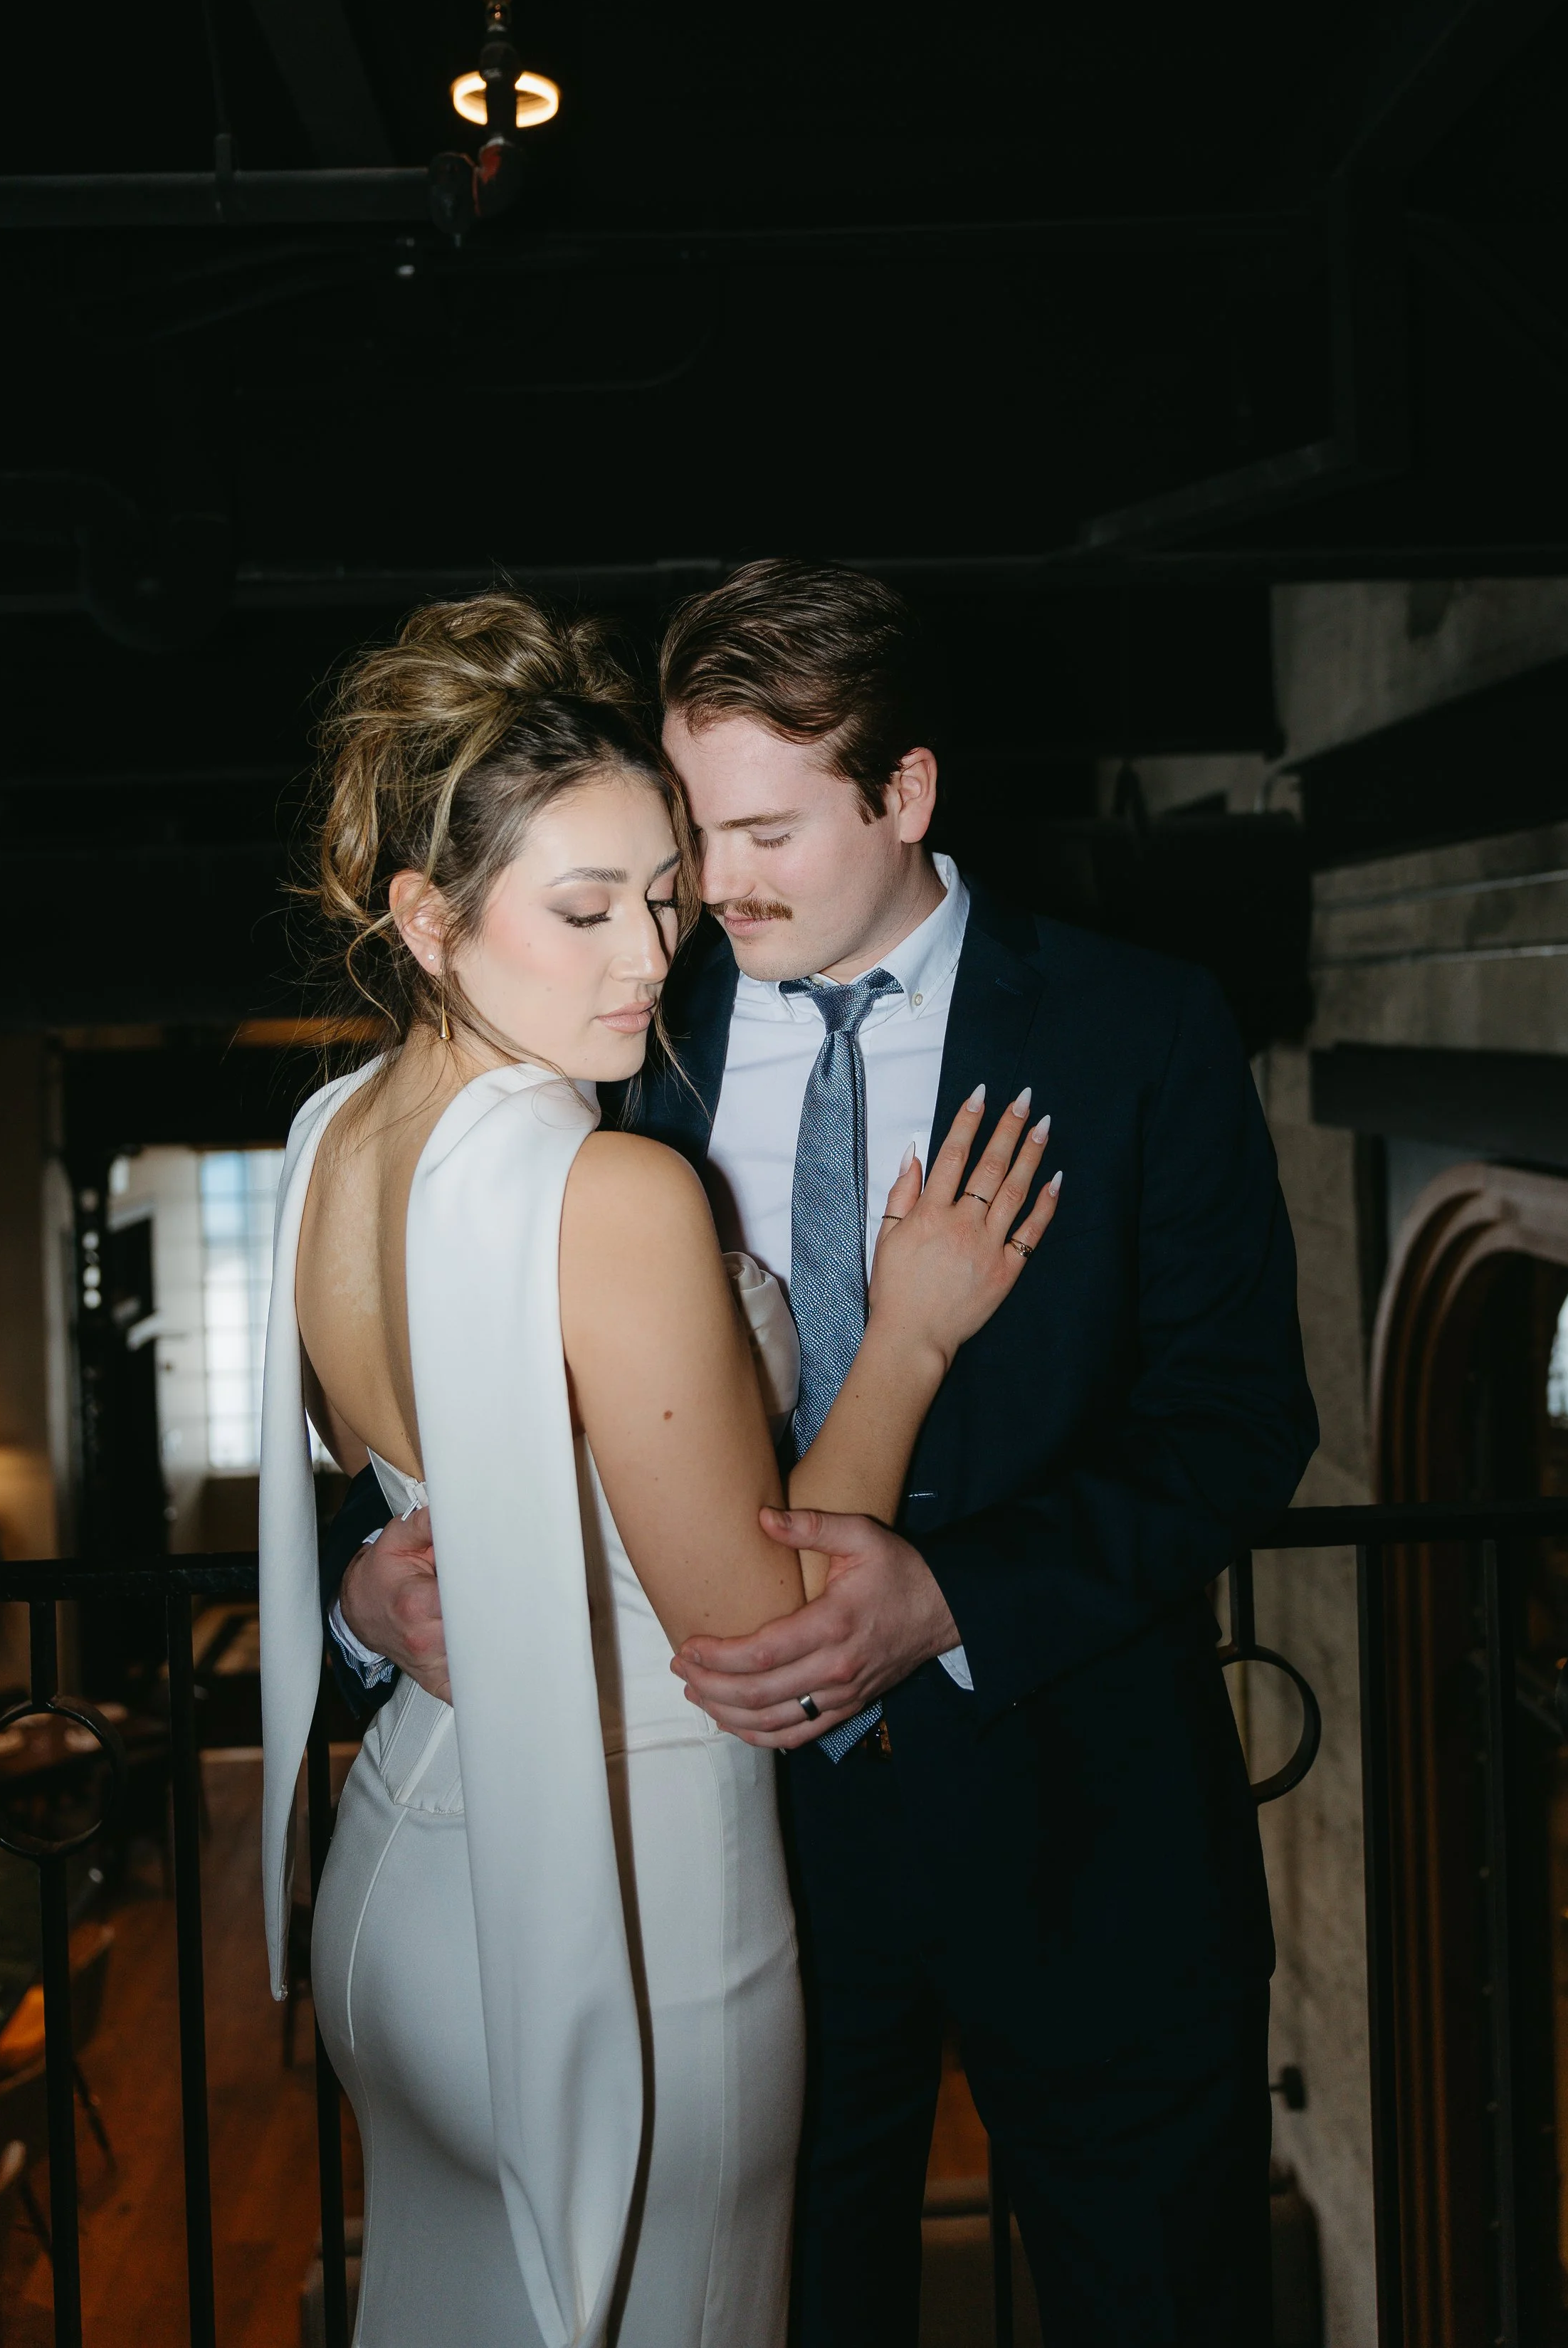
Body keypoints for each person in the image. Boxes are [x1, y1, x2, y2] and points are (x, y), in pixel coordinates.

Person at [330, 562, 1319, 2347]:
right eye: (688, 831)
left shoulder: (1134, 1026)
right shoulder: (618, 1031)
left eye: (761, 829)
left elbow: (1241, 1424)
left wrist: (950, 1592)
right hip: (728, 1861)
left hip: (1084, 1830)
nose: (703, 890)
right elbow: (455, 1321)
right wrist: (367, 1583)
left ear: (906, 794)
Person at [259, 591, 1054, 2348]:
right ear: (426, 915)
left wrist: (360, 1591)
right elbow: (759, 1644)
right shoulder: (605, 1188)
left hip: (401, 1875)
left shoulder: (331, 1134)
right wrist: (910, 1331)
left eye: (663, 896)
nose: (647, 957)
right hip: (615, 1894)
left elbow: (422, 1477)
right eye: (585, 907)